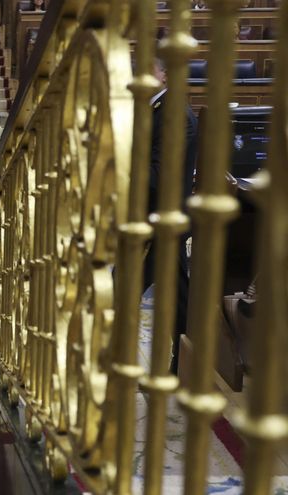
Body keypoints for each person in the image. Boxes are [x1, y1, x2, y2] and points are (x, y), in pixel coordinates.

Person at [146, 58, 198, 374]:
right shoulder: (156, 108)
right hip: (156, 217)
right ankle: (183, 365)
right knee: (177, 295)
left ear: (165, 74)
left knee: (118, 290)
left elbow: (159, 173)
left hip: (162, 218)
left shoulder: (173, 112)